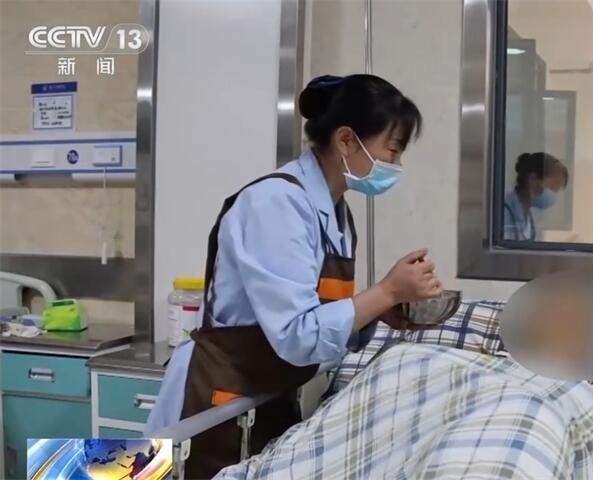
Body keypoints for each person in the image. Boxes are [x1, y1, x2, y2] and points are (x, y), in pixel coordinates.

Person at [144, 74, 441, 478]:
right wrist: (386, 291)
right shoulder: (277, 203)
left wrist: (378, 311)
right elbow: (298, 335)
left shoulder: (336, 214)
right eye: (392, 150)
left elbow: (322, 319)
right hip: (217, 396)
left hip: (268, 393)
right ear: (346, 140)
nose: (395, 165)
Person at [502, 152, 569, 241]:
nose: (553, 195)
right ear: (532, 179)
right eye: (552, 187)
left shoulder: (533, 217)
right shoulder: (504, 211)